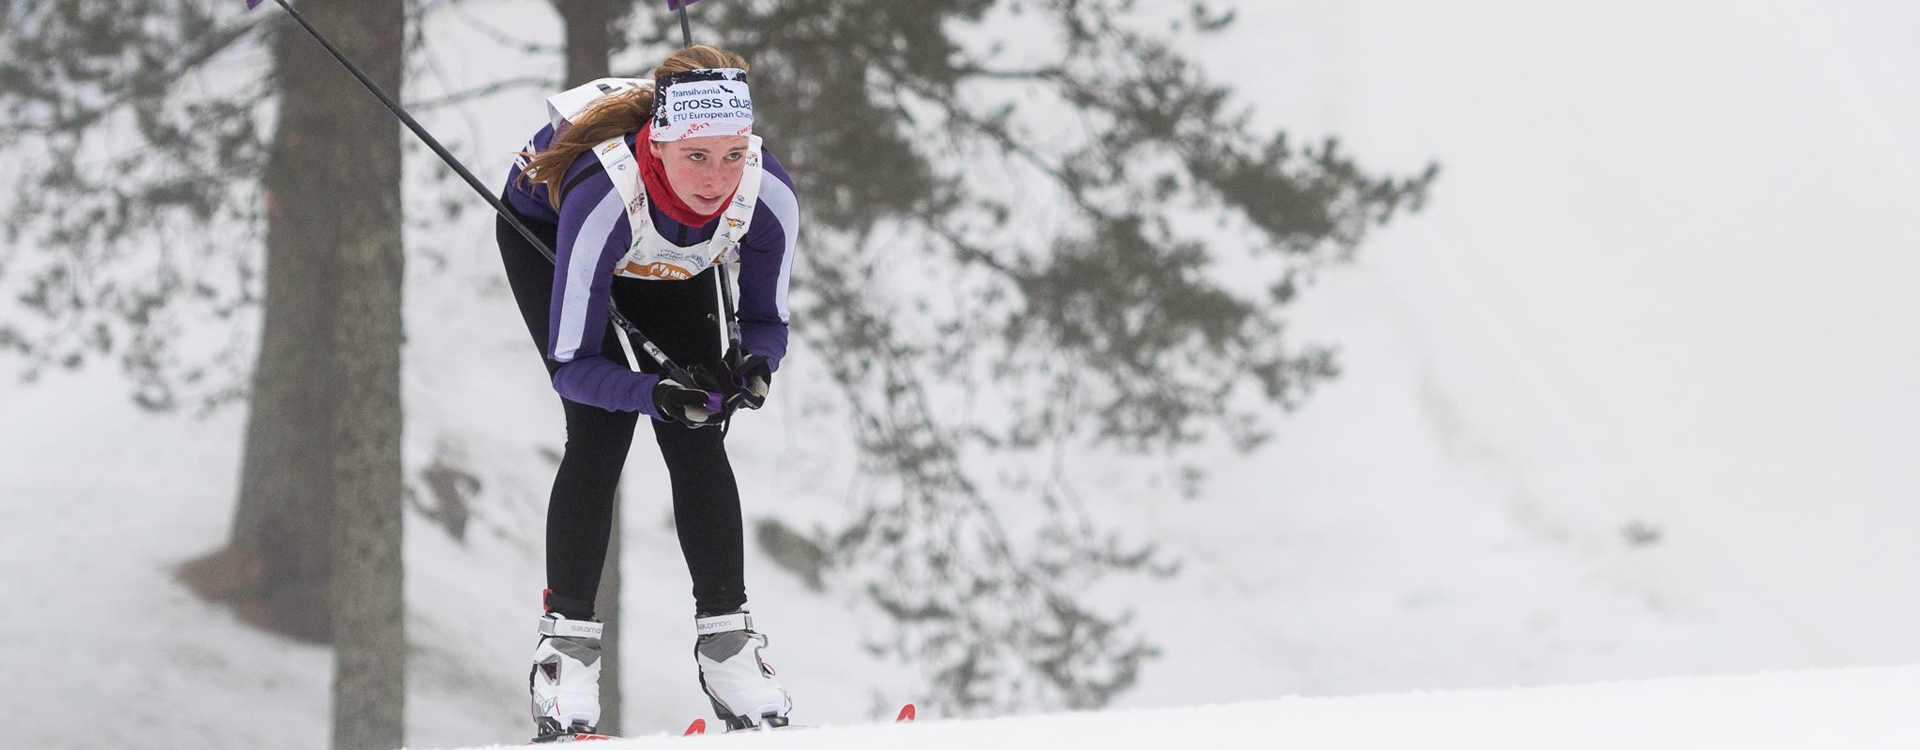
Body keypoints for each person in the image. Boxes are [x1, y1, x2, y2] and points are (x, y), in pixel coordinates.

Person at [495, 45, 800, 741]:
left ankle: (732, 657)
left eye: (731, 154)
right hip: (554, 235)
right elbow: (573, 364)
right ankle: (564, 665)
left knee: (701, 432)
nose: (717, 177)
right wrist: (655, 392)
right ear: (657, 144)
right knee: (600, 433)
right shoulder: (606, 192)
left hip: (672, 253)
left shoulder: (765, 188)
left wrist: (754, 365)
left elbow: (767, 320)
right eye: (697, 157)